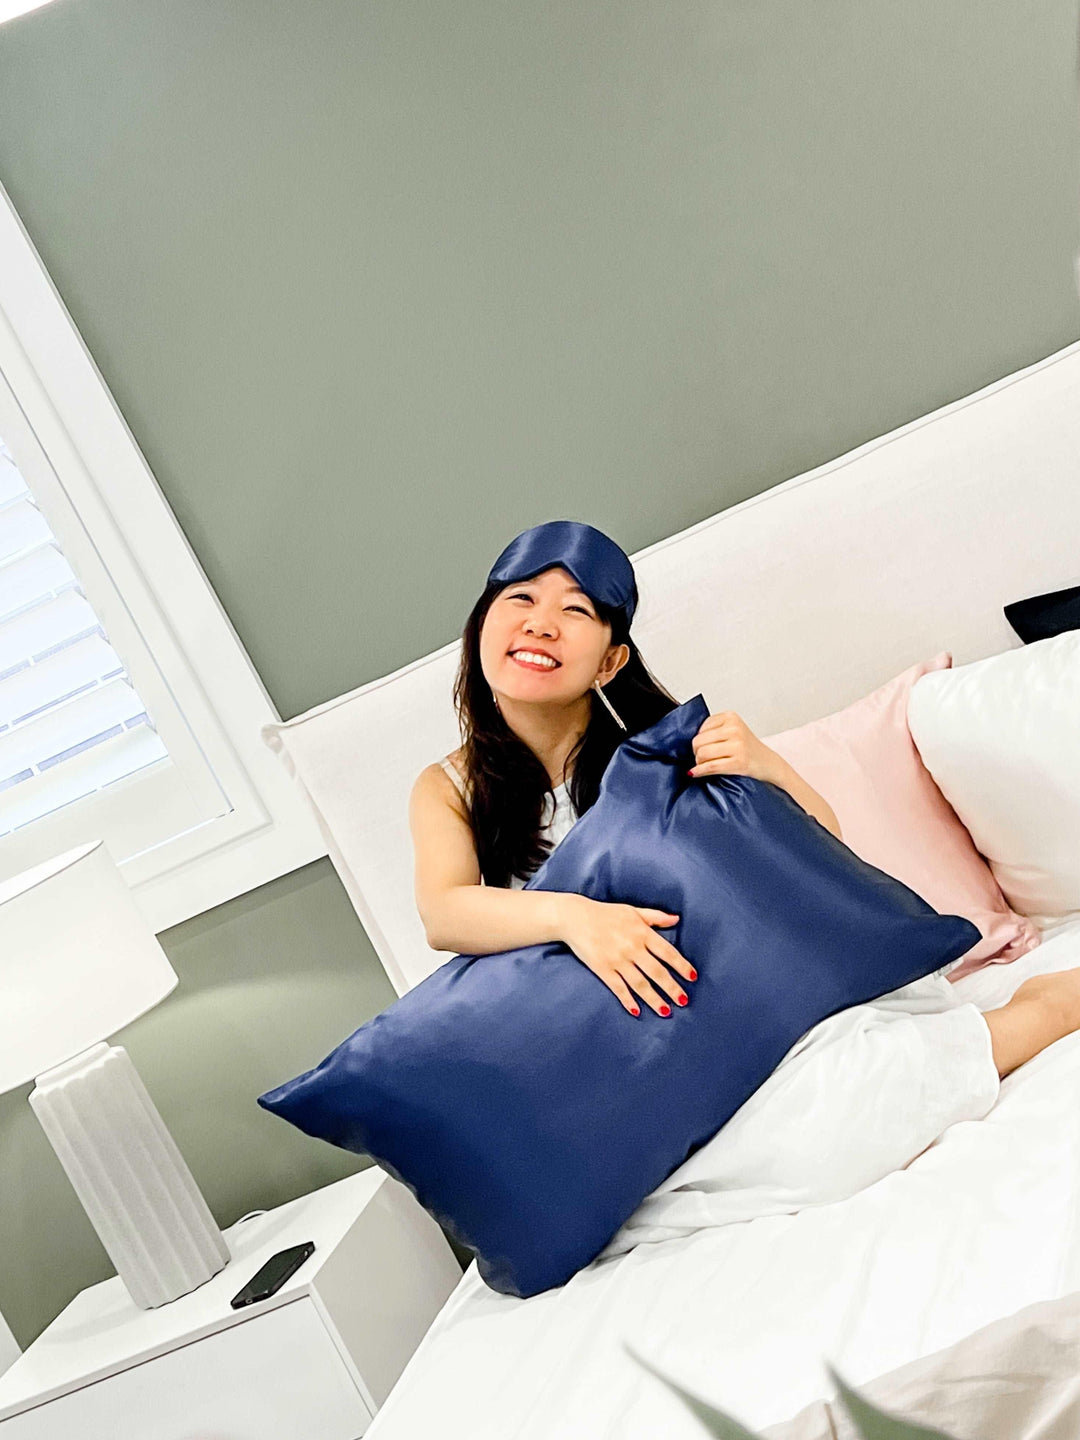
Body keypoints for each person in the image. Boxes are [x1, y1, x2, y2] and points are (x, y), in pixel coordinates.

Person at [409, 519, 1080, 1081]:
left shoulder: (660, 750)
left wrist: (769, 768)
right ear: (481, 626)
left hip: (747, 997)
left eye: (576, 610)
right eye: (520, 599)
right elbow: (446, 913)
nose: (541, 624)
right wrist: (579, 920)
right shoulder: (449, 788)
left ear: (611, 662)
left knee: (862, 1096)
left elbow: (825, 846)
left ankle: (1041, 1008)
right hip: (628, 1042)